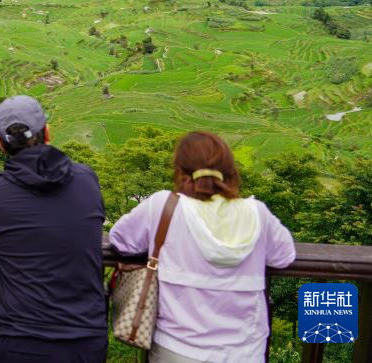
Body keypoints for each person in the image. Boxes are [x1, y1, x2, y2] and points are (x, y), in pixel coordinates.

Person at [109, 131, 296, 362]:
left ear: (180, 172)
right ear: (229, 173)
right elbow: (284, 256)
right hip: (244, 352)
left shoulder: (164, 206)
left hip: (175, 350)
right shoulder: (256, 213)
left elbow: (120, 240)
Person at [0, 95, 108, 363]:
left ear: (0, 145)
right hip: (87, 342)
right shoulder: (86, 179)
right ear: (47, 132)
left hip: (21, 341)